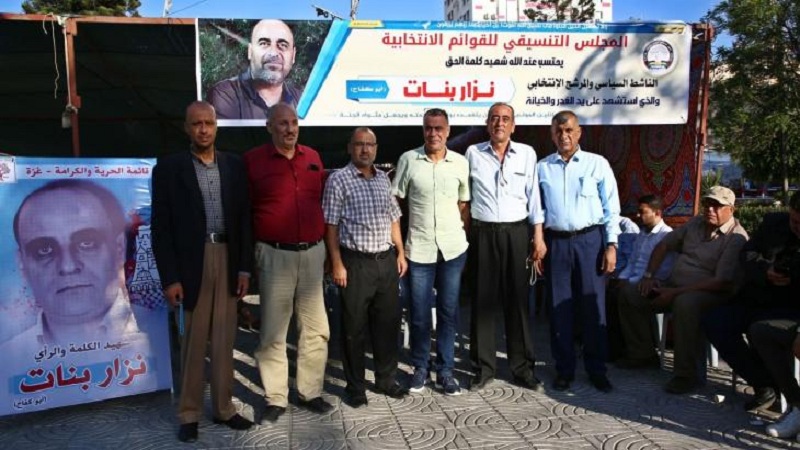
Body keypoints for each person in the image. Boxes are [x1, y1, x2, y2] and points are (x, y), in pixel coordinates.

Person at [151, 101, 254, 442]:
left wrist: (244, 269)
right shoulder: (169, 169)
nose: (204, 129)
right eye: (196, 124)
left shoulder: (234, 166)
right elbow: (161, 229)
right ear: (186, 128)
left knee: (225, 340)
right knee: (193, 343)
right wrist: (170, 278)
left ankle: (224, 408)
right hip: (191, 263)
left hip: (228, 256)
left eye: (208, 123)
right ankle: (189, 414)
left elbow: (244, 220)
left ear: (216, 126)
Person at [245, 103, 331, 422]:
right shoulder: (252, 161)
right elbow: (244, 211)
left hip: (313, 253)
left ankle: (310, 392)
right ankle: (276, 398)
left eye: (294, 122)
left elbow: (321, 202)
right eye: (282, 123)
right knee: (273, 330)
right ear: (269, 127)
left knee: (316, 329)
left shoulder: (313, 157)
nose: (290, 129)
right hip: (274, 255)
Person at [618, 185, 749, 394]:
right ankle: (642, 353)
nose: (710, 210)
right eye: (707, 204)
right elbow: (663, 245)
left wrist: (674, 292)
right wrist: (649, 276)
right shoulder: (696, 224)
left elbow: (721, 281)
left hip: (711, 293)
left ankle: (687, 375)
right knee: (631, 293)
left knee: (685, 303)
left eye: (716, 206)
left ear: (731, 209)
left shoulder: (736, 237)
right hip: (675, 286)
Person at [322, 127, 408, 407]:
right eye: (359, 144)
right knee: (353, 328)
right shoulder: (338, 180)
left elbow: (394, 218)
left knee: (387, 325)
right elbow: (331, 225)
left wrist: (400, 252)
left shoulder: (383, 179)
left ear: (376, 148)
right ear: (350, 147)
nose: (365, 149)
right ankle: (355, 387)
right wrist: (336, 263)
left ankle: (386, 380)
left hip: (386, 262)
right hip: (355, 264)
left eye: (370, 144)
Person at [537, 110, 620, 393]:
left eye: (569, 130)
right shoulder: (542, 168)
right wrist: (538, 244)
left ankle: (597, 369)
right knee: (559, 309)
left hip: (590, 242)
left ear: (579, 132)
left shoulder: (597, 164)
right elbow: (537, 211)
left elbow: (611, 208)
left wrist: (611, 245)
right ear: (552, 134)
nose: (564, 136)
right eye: (559, 131)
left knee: (593, 307)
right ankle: (564, 369)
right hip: (556, 243)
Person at [464, 102, 544, 392]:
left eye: (505, 119)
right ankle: (483, 368)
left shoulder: (527, 153)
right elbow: (465, 198)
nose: (500, 123)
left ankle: (522, 368)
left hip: (517, 233)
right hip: (483, 234)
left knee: (518, 302)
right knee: (482, 301)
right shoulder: (473, 153)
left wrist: (538, 236)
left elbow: (533, 197)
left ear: (513, 125)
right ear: (487, 124)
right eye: (495, 118)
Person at [392, 108, 470, 396]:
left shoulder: (460, 163)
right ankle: (420, 368)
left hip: (452, 250)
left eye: (439, 128)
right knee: (419, 313)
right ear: (423, 130)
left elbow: (464, 203)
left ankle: (446, 371)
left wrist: (459, 234)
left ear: (448, 131)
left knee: (449, 312)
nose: (433, 133)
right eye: (428, 128)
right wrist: (400, 248)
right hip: (419, 249)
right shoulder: (408, 160)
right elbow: (396, 204)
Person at [702, 190, 800, 414]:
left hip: (791, 308)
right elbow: (747, 254)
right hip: (758, 296)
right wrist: (766, 271)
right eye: (794, 222)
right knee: (715, 321)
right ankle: (763, 384)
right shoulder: (774, 224)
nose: (797, 227)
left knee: (761, 330)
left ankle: (786, 394)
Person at [11, 179, 140, 346]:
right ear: (22, 264)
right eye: (44, 250)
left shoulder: (156, 334)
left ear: (119, 249)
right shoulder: (9, 356)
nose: (68, 266)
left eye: (87, 243)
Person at [608, 195, 673, 363]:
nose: (638, 215)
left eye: (642, 212)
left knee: (628, 295)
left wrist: (632, 282)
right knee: (609, 291)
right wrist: (623, 278)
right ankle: (616, 348)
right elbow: (632, 262)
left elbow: (664, 270)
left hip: (656, 284)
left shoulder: (666, 235)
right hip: (636, 280)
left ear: (657, 213)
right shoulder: (642, 234)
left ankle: (643, 353)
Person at [207, 19, 301, 120]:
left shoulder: (301, 100)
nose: (273, 53)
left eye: (283, 45)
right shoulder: (225, 94)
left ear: (293, 56)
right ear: (250, 52)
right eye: (264, 43)